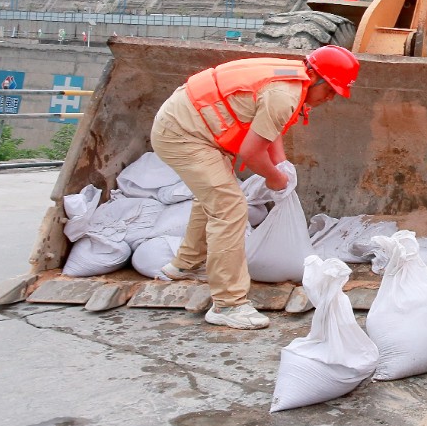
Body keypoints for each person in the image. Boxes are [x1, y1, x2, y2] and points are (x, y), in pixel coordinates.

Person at [151, 46, 359, 330]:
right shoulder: (284, 95)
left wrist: (282, 165)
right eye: (330, 90)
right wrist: (275, 178)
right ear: (315, 77)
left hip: (193, 124)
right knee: (230, 207)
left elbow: (268, 129)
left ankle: (185, 263)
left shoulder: (292, 78)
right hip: (182, 134)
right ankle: (228, 304)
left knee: (214, 197)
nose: (330, 98)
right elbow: (251, 153)